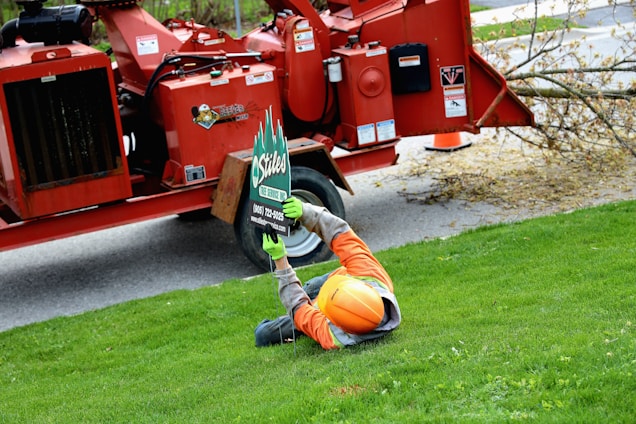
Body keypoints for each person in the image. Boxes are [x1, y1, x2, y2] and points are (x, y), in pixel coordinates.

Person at [255, 197, 401, 350]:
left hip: (319, 310)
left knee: (262, 335)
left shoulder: (332, 335)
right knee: (312, 287)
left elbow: (298, 306)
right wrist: (306, 212)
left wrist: (279, 258)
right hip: (338, 278)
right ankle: (310, 295)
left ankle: (303, 312)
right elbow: (339, 233)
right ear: (364, 287)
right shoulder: (372, 276)